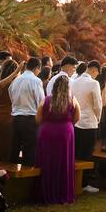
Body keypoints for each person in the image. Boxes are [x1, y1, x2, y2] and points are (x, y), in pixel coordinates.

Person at [36, 75, 79, 204]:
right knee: (63, 162)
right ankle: (62, 192)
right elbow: (77, 118)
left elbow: (38, 119)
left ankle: (45, 192)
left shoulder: (46, 100)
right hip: (65, 133)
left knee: (47, 162)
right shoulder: (73, 100)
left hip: (46, 131)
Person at [73, 61, 104, 193]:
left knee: (76, 153)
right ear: (95, 70)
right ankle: (84, 183)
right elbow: (98, 104)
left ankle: (73, 180)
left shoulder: (74, 81)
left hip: (75, 122)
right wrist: (97, 118)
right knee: (86, 154)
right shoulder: (94, 83)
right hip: (89, 123)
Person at [8, 57, 44, 165]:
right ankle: (26, 179)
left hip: (16, 117)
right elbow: (41, 102)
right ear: (36, 68)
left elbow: (11, 96)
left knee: (14, 148)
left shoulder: (16, 80)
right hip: (29, 118)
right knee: (29, 151)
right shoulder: (36, 80)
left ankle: (11, 177)